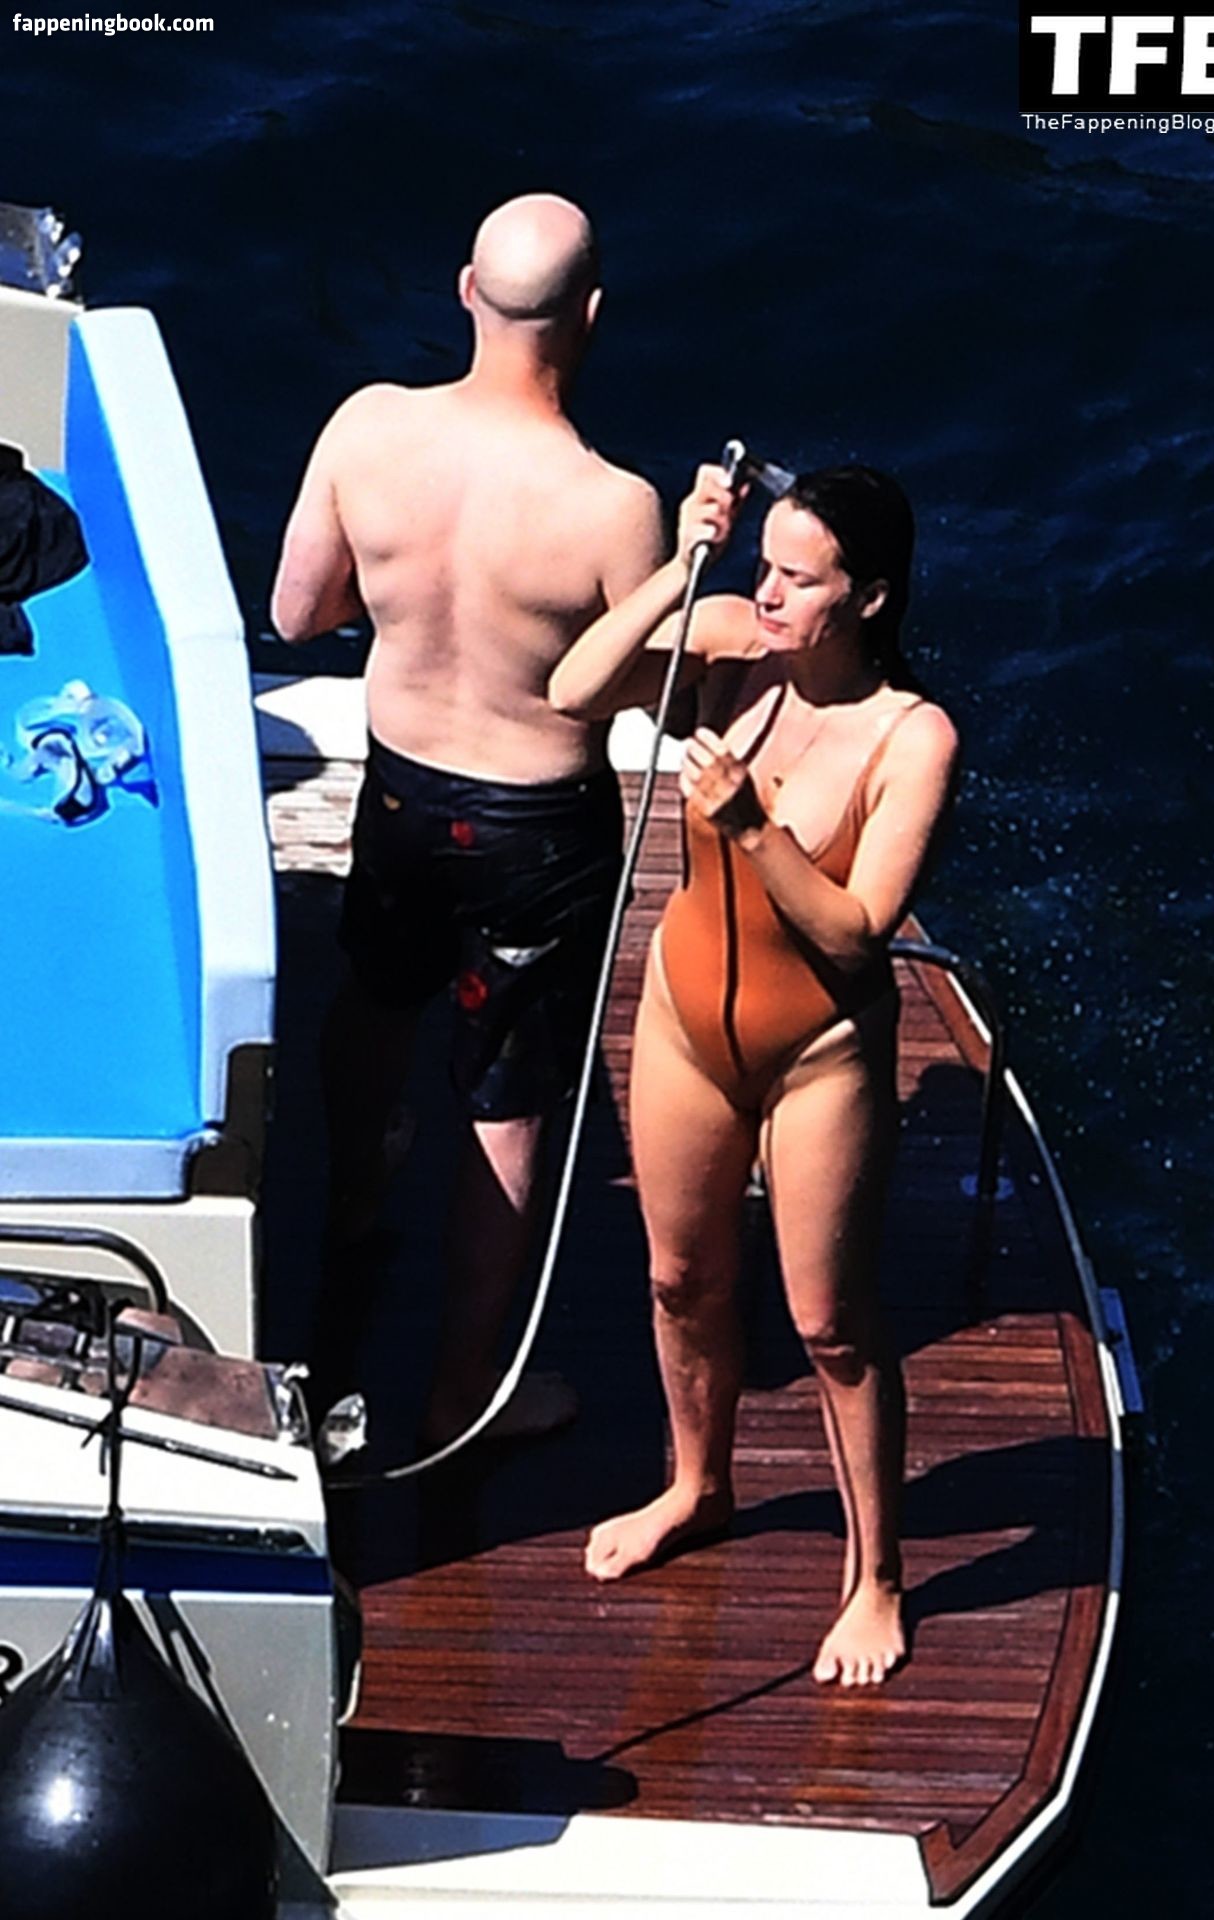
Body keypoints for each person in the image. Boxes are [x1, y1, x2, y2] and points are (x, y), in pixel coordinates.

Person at [548, 459, 958, 1685]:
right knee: (680, 1280)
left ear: (868, 597)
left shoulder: (911, 737)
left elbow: (857, 932)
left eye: (800, 579)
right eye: (764, 567)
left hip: (815, 1053)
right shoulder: (730, 649)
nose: (770, 595)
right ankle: (697, 1484)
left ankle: (877, 1579)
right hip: (687, 1023)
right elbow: (575, 689)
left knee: (831, 1325)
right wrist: (684, 567)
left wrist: (752, 829)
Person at [271, 194, 665, 1444]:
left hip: (403, 792)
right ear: (591, 316)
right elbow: (632, 688)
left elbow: (296, 614)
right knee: (507, 1097)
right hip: (536, 829)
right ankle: (461, 1398)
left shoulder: (368, 427)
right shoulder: (614, 505)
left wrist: (410, 612)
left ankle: (352, 1208)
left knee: (377, 997)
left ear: (463, 293)